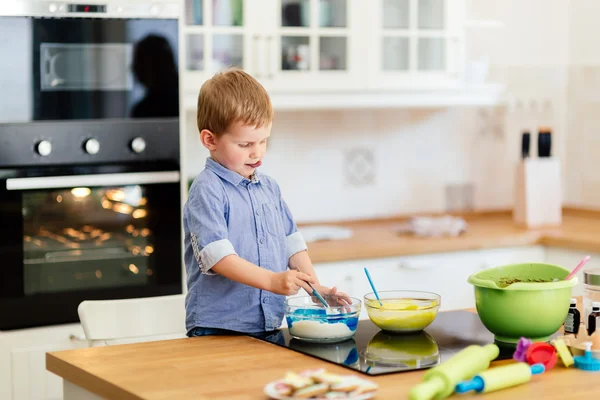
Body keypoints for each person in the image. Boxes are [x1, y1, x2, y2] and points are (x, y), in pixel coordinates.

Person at [184, 68, 349, 337]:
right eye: (245, 143)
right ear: (209, 139)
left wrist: (316, 290)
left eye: (263, 141)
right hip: (219, 328)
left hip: (268, 323)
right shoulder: (207, 189)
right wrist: (273, 280)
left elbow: (292, 243)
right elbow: (218, 257)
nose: (257, 152)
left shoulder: (269, 187)